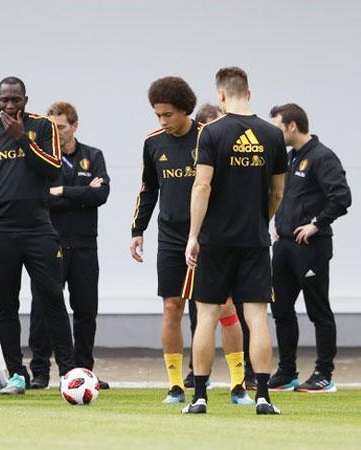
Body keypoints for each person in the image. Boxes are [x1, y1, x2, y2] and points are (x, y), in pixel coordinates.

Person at [130, 78, 251, 405]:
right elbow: (148, 189)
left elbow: (227, 190)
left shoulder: (209, 137)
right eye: (158, 115)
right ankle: (175, 386)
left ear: (184, 110)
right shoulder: (153, 143)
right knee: (172, 307)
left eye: (168, 114)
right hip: (170, 237)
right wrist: (137, 230)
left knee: (224, 307)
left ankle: (238, 384)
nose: (163, 121)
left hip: (210, 237)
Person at [182, 67, 287, 415]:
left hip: (214, 241)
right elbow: (278, 192)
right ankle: (262, 397)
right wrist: (261, 220)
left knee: (207, 315)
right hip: (254, 240)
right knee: (257, 317)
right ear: (249, 93)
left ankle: (198, 397)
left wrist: (193, 236)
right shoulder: (272, 135)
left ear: (222, 95)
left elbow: (202, 186)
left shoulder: (211, 132)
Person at [0, 76, 75, 394]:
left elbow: (54, 168)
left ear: (26, 99)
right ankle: (16, 374)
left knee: (53, 298)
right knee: (6, 306)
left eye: (16, 99)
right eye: (4, 100)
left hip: (38, 229)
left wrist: (22, 139)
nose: (10, 106)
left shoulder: (42, 128)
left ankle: (69, 373)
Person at [268, 103, 351, 392]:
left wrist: (315, 224)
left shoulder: (322, 156)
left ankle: (324, 374)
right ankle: (287, 371)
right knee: (280, 308)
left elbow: (341, 198)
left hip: (311, 247)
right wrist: (277, 223)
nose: (274, 134)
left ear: (292, 126)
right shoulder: (289, 158)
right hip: (284, 247)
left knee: (318, 311)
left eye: (277, 128)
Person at [28, 101, 110, 390]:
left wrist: (63, 191)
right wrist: (82, 193)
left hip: (85, 244)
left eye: (60, 127)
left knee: (86, 310)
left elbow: (101, 195)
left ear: (74, 126)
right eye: (51, 127)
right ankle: (39, 370)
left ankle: (84, 371)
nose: (56, 132)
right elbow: (40, 198)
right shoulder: (42, 159)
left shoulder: (93, 155)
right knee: (44, 308)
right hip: (49, 244)